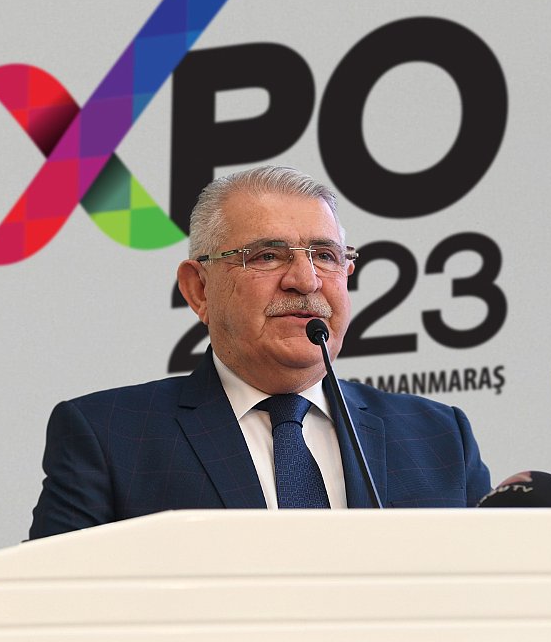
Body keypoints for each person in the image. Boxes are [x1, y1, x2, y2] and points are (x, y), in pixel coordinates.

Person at [29, 165, 491, 539]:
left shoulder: (438, 436)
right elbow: (47, 609)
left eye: (325, 256)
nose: (306, 280)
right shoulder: (110, 436)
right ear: (199, 289)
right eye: (268, 256)